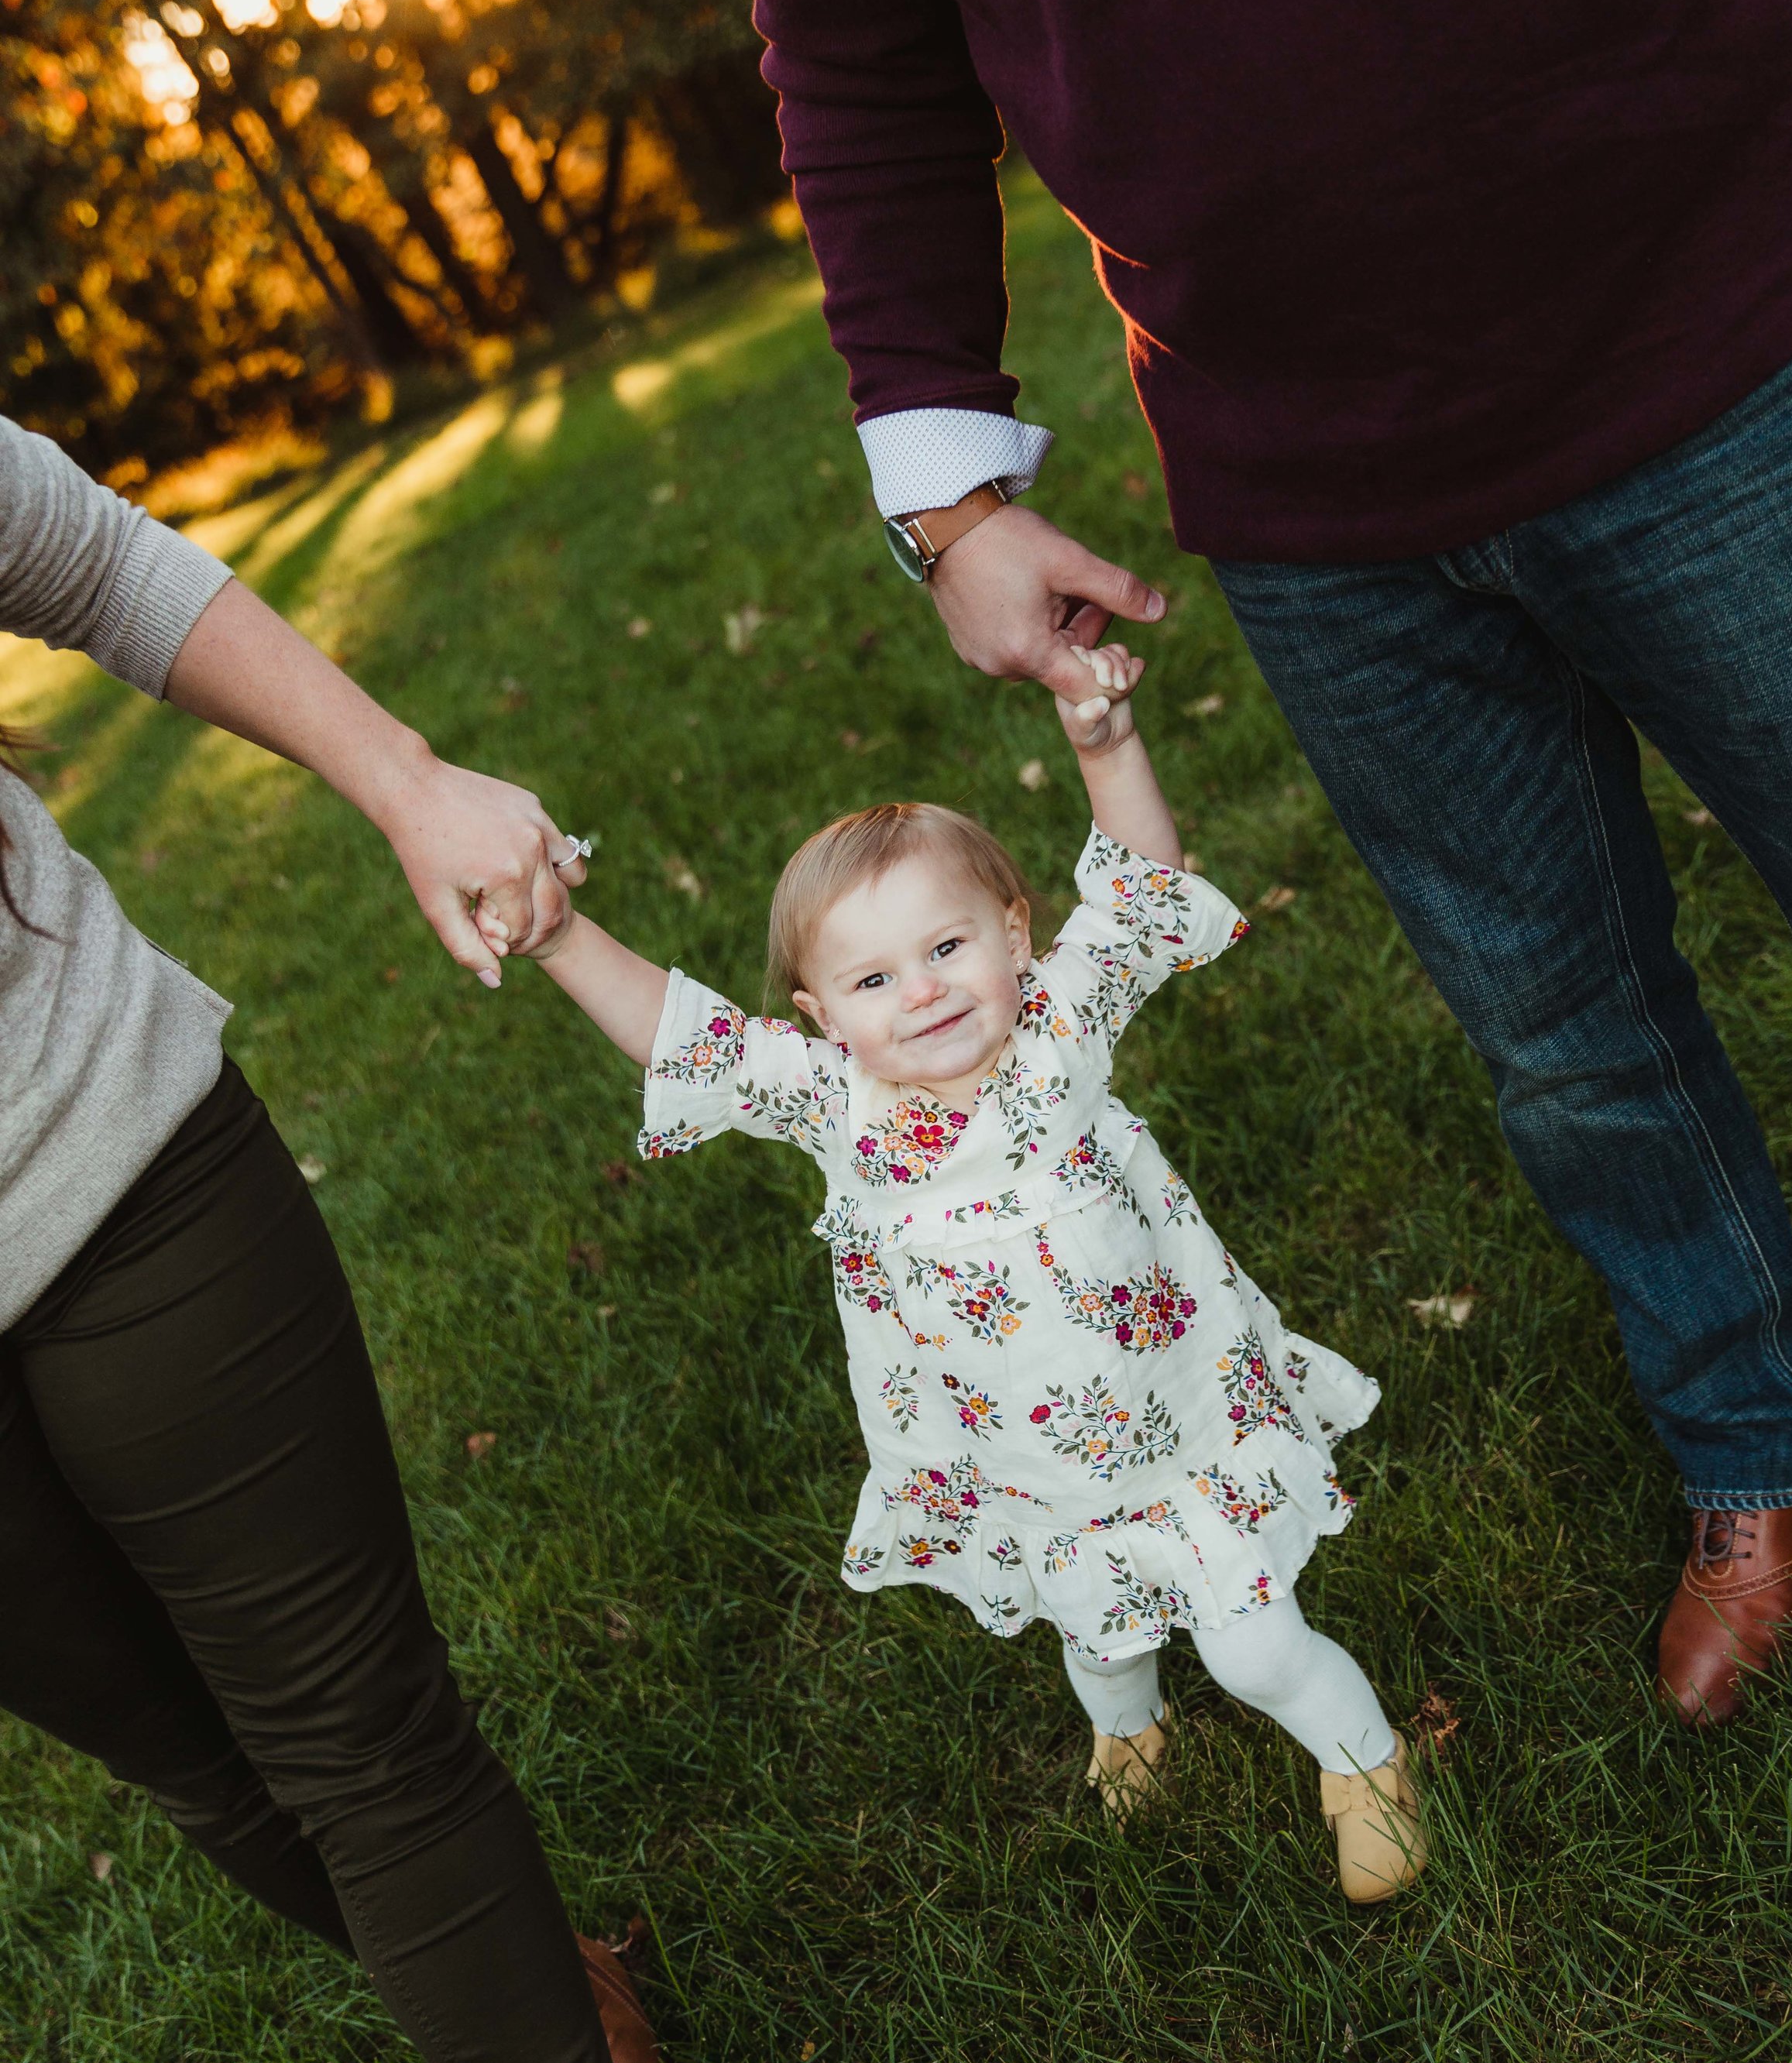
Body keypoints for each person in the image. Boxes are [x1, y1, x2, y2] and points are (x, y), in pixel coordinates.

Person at [632, 0, 1792, 1728]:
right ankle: (1761, 1435)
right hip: (1301, 457)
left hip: (1697, 297)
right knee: (1562, 1027)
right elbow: (847, 18)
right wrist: (947, 485)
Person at [0, 417, 818, 2063]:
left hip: (93, 1146)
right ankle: (550, 1983)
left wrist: (405, 777)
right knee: (206, 1765)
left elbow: (91, 561)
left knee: (351, 1729)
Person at [489, 637, 1426, 1903]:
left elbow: (1146, 885)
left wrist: (1105, 743)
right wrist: (559, 941)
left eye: (947, 947)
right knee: (1096, 1637)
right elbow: (684, 1034)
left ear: (1015, 931)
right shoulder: (839, 1104)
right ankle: (1130, 1726)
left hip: (1175, 1416)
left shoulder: (1058, 1028)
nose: (922, 993)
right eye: (873, 978)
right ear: (823, 1016)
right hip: (1022, 1456)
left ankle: (1362, 1758)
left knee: (1255, 1643)